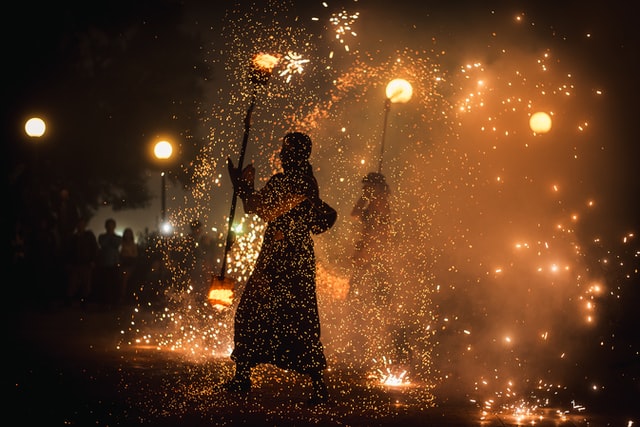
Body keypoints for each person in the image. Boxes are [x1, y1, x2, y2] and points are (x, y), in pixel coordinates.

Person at [224, 131, 337, 405]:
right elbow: (258, 206)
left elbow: (266, 209)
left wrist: (245, 189)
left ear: (296, 154)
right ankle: (243, 375)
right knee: (258, 309)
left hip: (288, 257)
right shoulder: (293, 180)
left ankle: (317, 383)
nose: (281, 156)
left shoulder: (301, 182)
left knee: (296, 314)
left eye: (285, 152)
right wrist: (243, 188)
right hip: (281, 255)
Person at [347, 171, 394, 365]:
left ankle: (374, 349)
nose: (364, 189)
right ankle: (359, 347)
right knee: (356, 297)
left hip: (374, 259)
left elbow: (380, 234)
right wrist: (364, 198)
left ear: (376, 187)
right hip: (365, 256)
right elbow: (354, 214)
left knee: (371, 299)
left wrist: (367, 254)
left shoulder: (381, 203)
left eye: (367, 187)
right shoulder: (371, 200)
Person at [65, 217, 99, 307]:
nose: (81, 226)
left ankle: (84, 302)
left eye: (82, 224)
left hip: (86, 263)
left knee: (86, 284)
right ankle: (69, 301)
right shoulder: (73, 237)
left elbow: (94, 248)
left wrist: (93, 260)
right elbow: (68, 251)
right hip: (75, 264)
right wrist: (68, 263)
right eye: (79, 224)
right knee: (72, 283)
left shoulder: (89, 235)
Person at [96, 218, 123, 307]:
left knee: (115, 283)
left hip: (115, 263)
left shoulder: (118, 237)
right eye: (109, 225)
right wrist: (109, 237)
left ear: (114, 226)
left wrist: (110, 238)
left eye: (112, 225)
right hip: (105, 263)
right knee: (106, 284)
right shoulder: (102, 236)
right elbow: (103, 243)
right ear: (106, 226)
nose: (110, 227)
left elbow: (116, 244)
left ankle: (115, 302)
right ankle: (106, 302)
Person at [119, 227, 139, 305]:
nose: (127, 235)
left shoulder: (133, 244)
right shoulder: (122, 244)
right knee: (122, 280)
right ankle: (122, 297)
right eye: (126, 234)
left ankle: (124, 297)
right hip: (123, 263)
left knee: (125, 279)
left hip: (130, 264)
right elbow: (120, 253)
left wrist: (128, 254)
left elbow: (135, 254)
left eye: (129, 234)